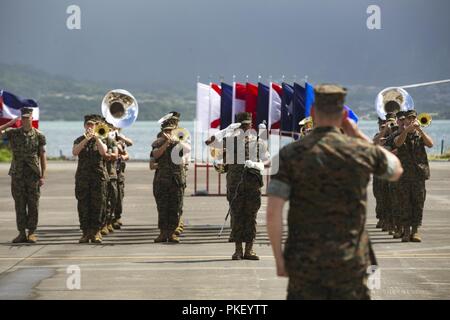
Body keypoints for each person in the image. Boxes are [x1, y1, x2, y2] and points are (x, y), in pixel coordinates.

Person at [266, 84, 403, 300]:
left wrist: (279, 259)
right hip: (349, 264)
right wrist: (359, 135)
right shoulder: (360, 151)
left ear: (312, 113)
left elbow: (273, 212)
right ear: (343, 115)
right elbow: (395, 170)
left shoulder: (290, 154)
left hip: (304, 264)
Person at [207, 112, 270, 260]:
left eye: (247, 125)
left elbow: (267, 160)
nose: (245, 128)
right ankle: (238, 250)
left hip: (253, 184)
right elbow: (209, 142)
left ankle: (249, 250)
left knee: (251, 216)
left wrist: (256, 164)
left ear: (251, 126)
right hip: (235, 185)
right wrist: (225, 131)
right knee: (236, 216)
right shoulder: (230, 140)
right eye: (242, 126)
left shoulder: (258, 142)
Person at [0, 108, 47, 243]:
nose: (26, 120)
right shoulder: (13, 133)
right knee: (19, 205)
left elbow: (43, 156)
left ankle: (31, 233)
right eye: (24, 118)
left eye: (28, 117)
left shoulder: (39, 135)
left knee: (33, 205)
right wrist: (10, 123)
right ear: (21, 118)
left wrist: (43, 175)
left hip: (33, 175)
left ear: (32, 118)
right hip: (17, 175)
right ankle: (21, 233)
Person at [392, 109, 433, 242]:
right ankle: (406, 231)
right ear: (405, 121)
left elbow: (430, 144)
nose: (411, 120)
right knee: (404, 203)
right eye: (409, 118)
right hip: (404, 176)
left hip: (418, 175)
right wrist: (406, 129)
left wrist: (420, 130)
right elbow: (398, 143)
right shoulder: (399, 134)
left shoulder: (420, 135)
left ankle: (415, 231)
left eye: (413, 118)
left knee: (418, 203)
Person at [151, 115, 190, 243]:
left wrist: (176, 141)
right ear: (163, 131)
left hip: (176, 179)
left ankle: (172, 233)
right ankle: (163, 232)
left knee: (175, 207)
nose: (169, 133)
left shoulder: (181, 142)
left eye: (171, 130)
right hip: (162, 179)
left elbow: (187, 150)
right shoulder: (157, 142)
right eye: (166, 130)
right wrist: (166, 143)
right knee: (162, 207)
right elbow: (156, 155)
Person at [72, 115, 108, 243]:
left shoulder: (102, 139)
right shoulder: (79, 139)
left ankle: (96, 232)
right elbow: (75, 152)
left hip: (98, 178)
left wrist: (97, 138)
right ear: (84, 126)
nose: (90, 127)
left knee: (98, 205)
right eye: (88, 125)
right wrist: (85, 140)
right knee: (83, 205)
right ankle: (85, 233)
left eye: (92, 125)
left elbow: (104, 152)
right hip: (83, 178)